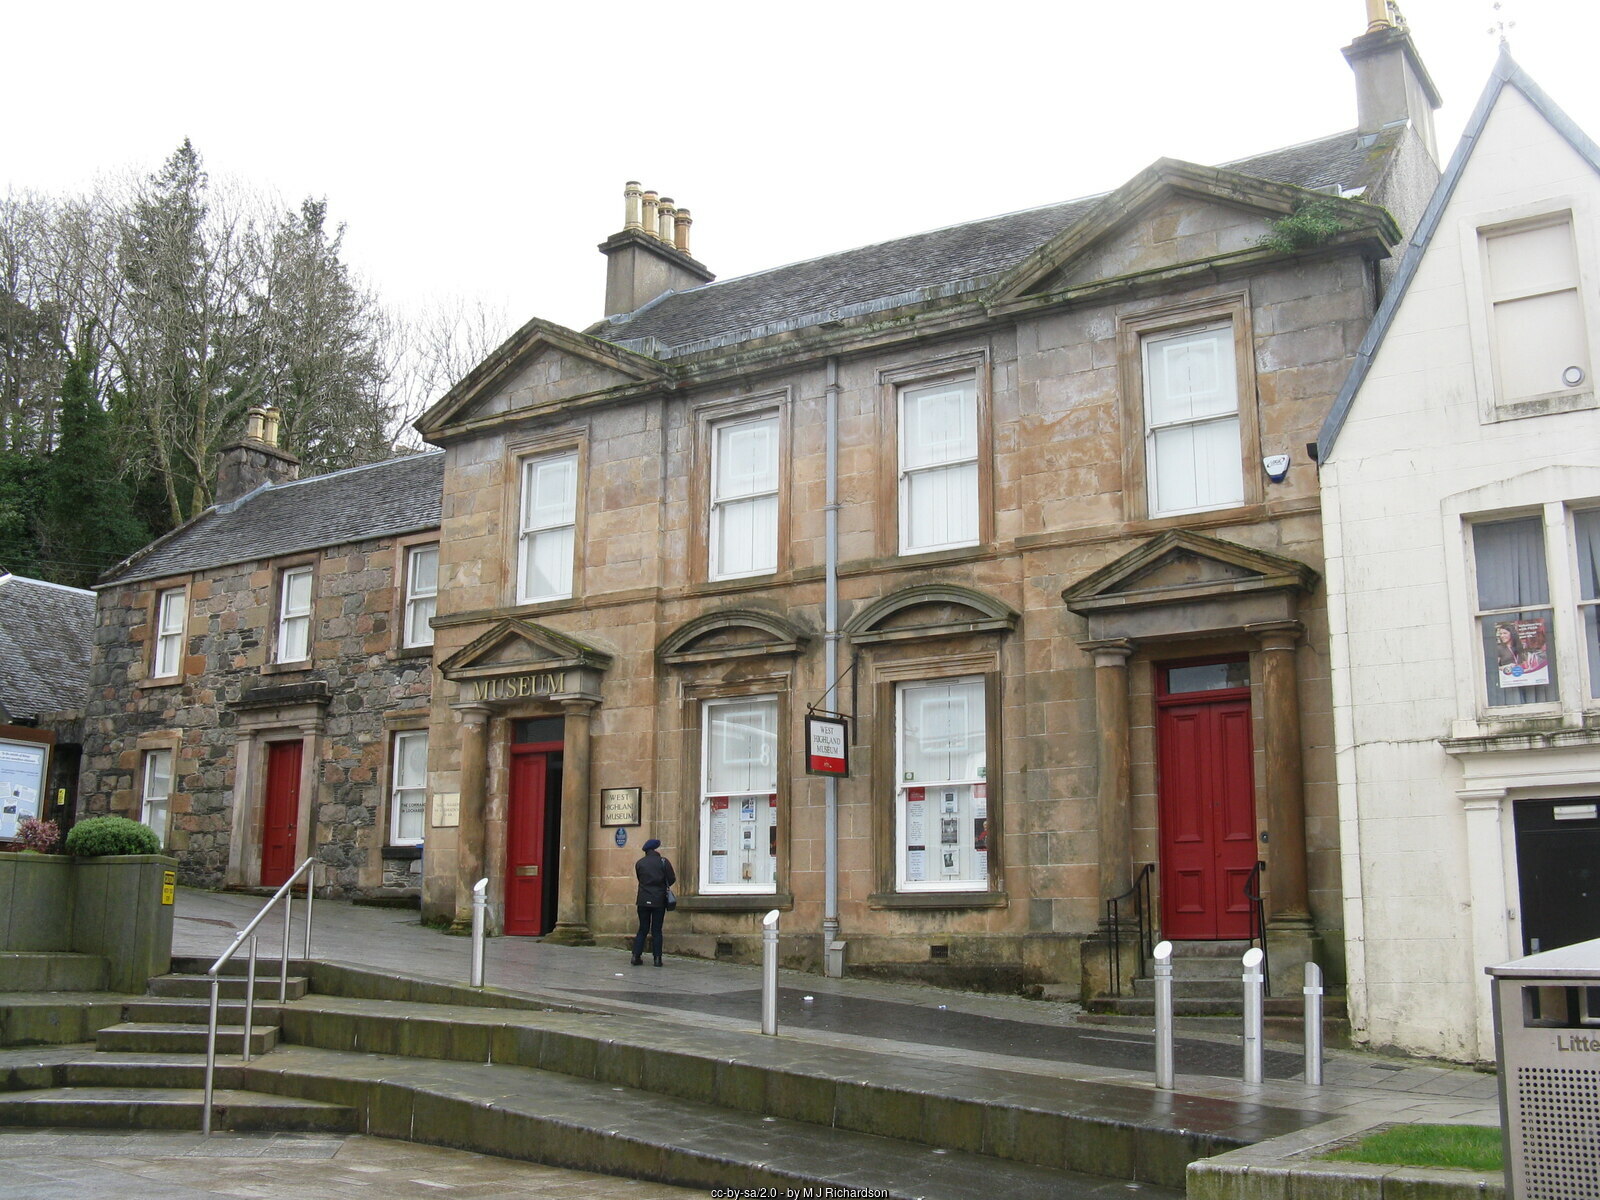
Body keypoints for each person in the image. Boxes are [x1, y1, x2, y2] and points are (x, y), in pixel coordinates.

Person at [632, 837, 675, 967]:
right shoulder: (663, 862)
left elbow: (640, 879)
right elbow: (671, 879)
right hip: (659, 900)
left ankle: (636, 956)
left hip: (643, 900)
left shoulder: (640, 863)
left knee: (643, 929)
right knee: (657, 930)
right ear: (656, 849)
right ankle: (657, 959)